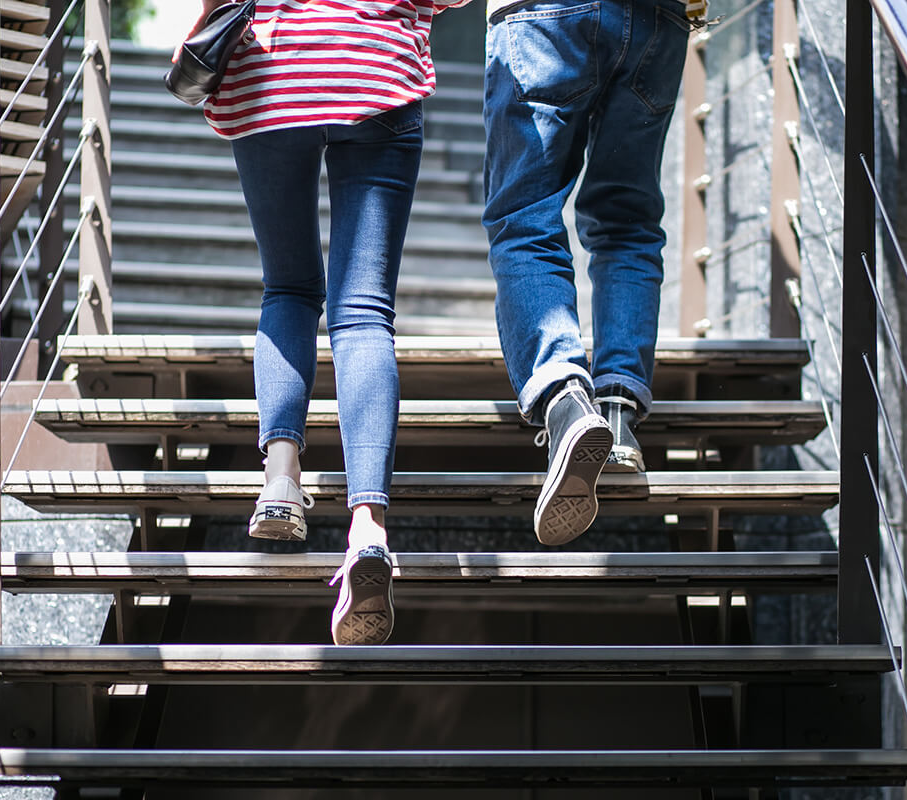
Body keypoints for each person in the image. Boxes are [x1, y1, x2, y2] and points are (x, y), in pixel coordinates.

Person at [186, 0, 467, 646]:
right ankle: (367, 528)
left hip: (273, 73)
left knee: (287, 286)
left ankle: (281, 480)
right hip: (375, 70)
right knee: (363, 312)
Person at [481, 0, 701, 545]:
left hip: (542, 16)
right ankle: (619, 415)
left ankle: (563, 396)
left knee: (525, 219)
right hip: (656, 19)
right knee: (627, 223)